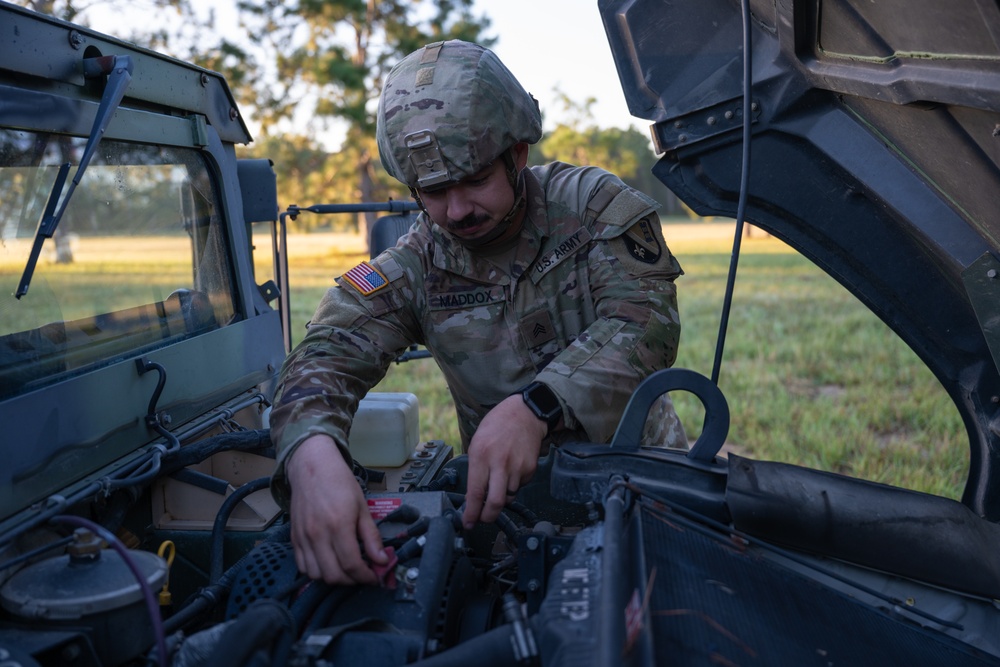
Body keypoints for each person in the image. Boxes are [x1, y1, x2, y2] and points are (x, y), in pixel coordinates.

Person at [268, 39, 684, 586]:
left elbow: (647, 325)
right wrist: (311, 456)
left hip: (646, 487)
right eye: (434, 191)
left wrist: (536, 407)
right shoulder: (415, 264)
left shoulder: (590, 207)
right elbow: (327, 352)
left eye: (474, 181)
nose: (457, 209)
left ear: (518, 155)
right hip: (512, 517)